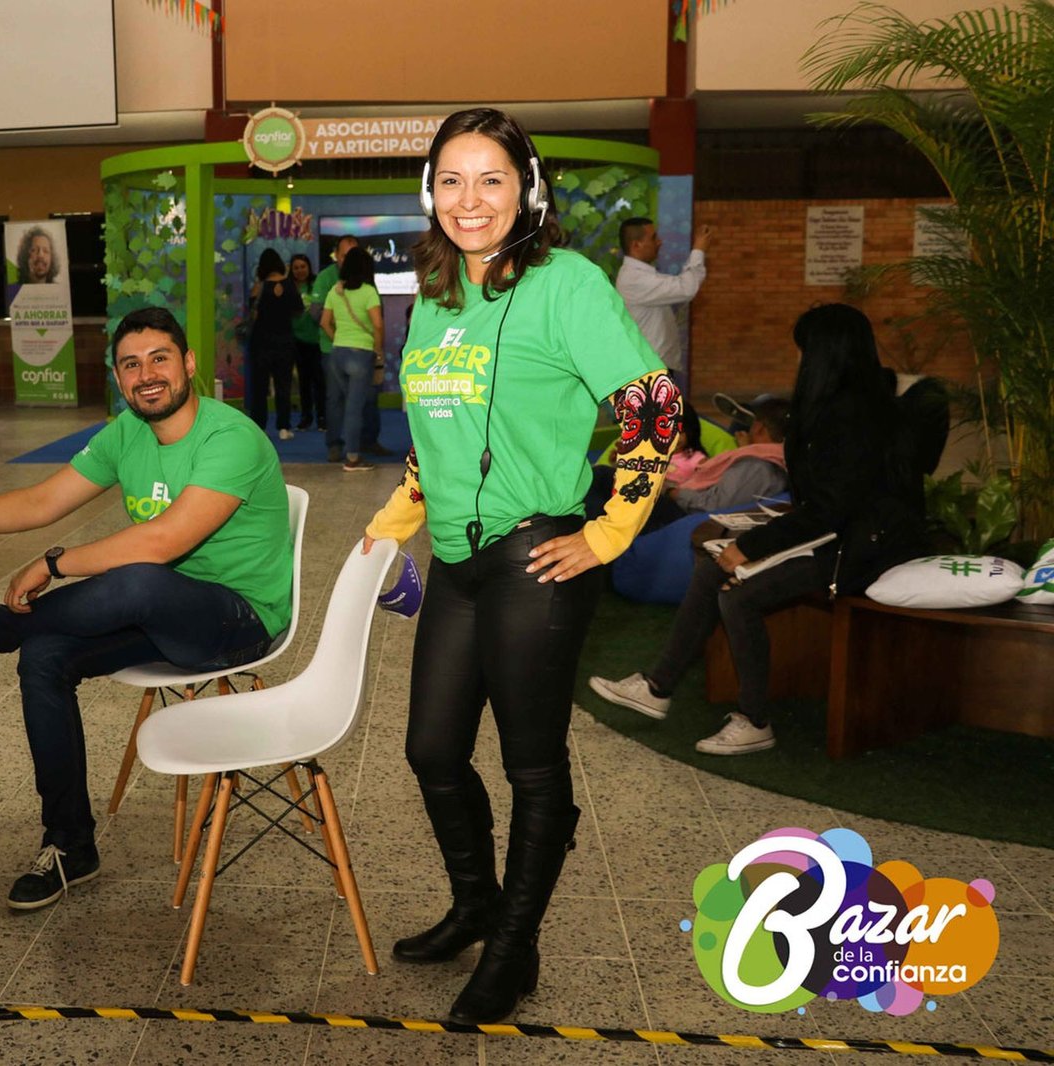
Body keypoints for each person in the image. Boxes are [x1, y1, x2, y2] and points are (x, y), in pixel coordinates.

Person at [363, 108, 682, 1025]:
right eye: (451, 181)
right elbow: (437, 433)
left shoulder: (565, 284)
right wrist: (390, 526)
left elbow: (653, 403)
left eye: (491, 179)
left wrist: (610, 531)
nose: (470, 200)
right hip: (456, 560)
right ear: (430, 194)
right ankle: (475, 905)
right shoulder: (434, 296)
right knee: (432, 751)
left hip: (535, 556)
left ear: (527, 190)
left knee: (531, 765)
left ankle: (514, 946)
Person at [0, 307, 292, 910]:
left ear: (188, 364)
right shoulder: (127, 432)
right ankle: (69, 844)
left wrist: (54, 564)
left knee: (141, 577)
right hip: (160, 611)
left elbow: (162, 542)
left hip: (239, 620)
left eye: (159, 359)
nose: (147, 375)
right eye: (131, 365)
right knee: (45, 657)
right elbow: (41, 502)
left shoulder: (231, 438)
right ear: (118, 378)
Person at [590, 304, 927, 756]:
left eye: (803, 351)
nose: (798, 361)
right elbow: (827, 505)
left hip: (864, 550)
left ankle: (754, 721)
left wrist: (751, 547)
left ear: (824, 354)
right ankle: (657, 688)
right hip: (844, 534)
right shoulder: (854, 405)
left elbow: (830, 510)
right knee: (714, 568)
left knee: (739, 594)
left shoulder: (854, 417)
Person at [615, 217, 711, 388]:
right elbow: (686, 288)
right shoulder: (634, 278)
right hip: (647, 371)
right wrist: (698, 250)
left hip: (651, 367)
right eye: (653, 238)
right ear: (636, 245)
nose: (660, 242)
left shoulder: (642, 275)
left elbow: (681, 285)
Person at [666, 396, 790, 515]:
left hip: (689, 513)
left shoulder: (755, 466)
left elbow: (713, 506)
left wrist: (672, 492)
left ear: (758, 428)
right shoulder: (777, 458)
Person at [321, 246, 384, 472]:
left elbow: (324, 322)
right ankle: (353, 458)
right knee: (355, 407)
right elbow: (377, 325)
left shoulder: (336, 291)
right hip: (360, 353)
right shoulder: (368, 292)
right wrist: (378, 350)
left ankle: (336, 447)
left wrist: (338, 339)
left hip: (337, 353)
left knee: (339, 402)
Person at [245, 248, 302, 438]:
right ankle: (284, 427)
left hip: (261, 342)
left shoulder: (259, 287)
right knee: (283, 386)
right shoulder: (290, 285)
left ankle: (259, 426)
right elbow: (298, 310)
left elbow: (252, 312)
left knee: (260, 386)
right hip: (285, 341)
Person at [288, 253, 326, 432]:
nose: (300, 270)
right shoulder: (289, 287)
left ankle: (322, 416)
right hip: (297, 340)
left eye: (303, 266)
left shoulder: (317, 284)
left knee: (319, 380)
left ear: (309, 267)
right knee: (303, 381)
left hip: (317, 339)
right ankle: (306, 417)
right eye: (296, 267)